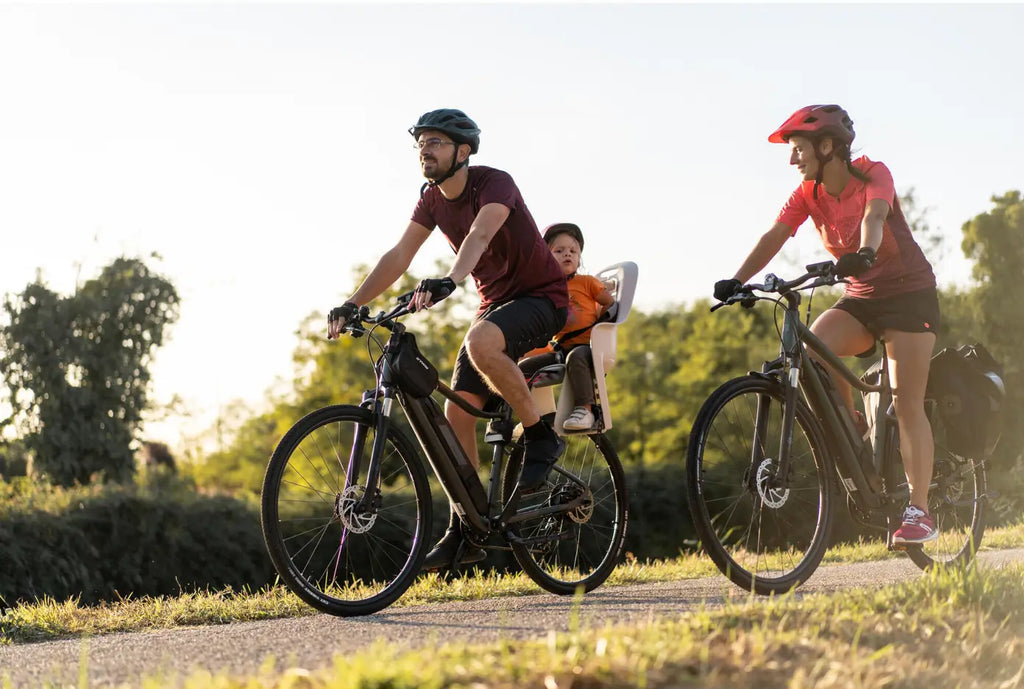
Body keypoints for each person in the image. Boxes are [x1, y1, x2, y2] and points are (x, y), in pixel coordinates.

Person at [326, 108, 569, 569]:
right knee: (455, 410)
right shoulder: (432, 200)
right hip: (496, 305)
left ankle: (540, 436)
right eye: (420, 144)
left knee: (480, 343)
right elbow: (400, 253)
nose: (425, 150)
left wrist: (452, 279)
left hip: (542, 297)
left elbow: (479, 234)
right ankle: (469, 524)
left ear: (463, 151)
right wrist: (354, 302)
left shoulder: (495, 183)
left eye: (434, 142)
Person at [713, 104, 940, 545]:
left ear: (827, 146)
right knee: (813, 347)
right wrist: (737, 280)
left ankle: (920, 509)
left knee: (908, 402)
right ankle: (854, 426)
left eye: (798, 149)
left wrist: (867, 252)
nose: (792, 159)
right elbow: (774, 236)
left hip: (909, 295)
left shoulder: (873, 173)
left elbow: (875, 217)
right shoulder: (806, 194)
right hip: (862, 296)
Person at [520, 223, 614, 431]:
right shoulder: (546, 288)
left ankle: (586, 410)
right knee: (522, 369)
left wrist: (600, 319)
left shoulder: (586, 282)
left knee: (577, 357)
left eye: (573, 251)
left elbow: (609, 302)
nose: (567, 255)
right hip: (561, 349)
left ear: (580, 257)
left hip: (588, 348)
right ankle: (529, 415)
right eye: (559, 251)